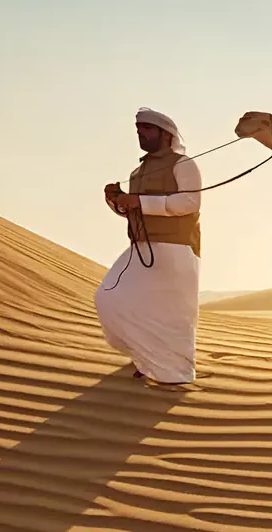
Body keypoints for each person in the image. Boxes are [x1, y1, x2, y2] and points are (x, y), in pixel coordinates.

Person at [95, 108, 203, 388]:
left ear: (165, 134)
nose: (140, 132)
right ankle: (145, 358)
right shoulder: (137, 172)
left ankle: (175, 375)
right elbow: (134, 211)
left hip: (176, 247)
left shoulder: (183, 164)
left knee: (173, 315)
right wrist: (117, 201)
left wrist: (138, 201)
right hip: (141, 247)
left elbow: (190, 203)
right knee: (109, 298)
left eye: (147, 128)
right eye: (138, 128)